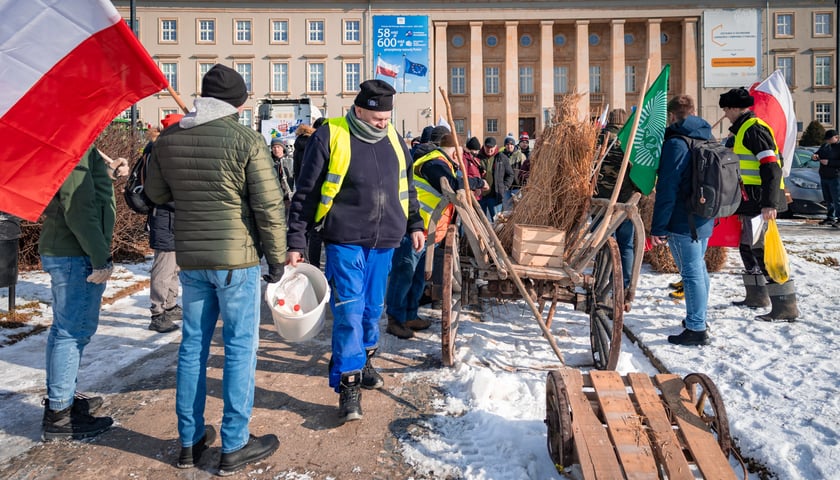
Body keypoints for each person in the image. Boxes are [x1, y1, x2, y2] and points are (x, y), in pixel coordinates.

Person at [145, 64, 285, 474]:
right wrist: (276, 258)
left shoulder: (169, 139)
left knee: (193, 348)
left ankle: (189, 441)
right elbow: (268, 204)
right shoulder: (245, 140)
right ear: (238, 103)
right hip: (235, 261)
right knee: (240, 349)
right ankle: (235, 443)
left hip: (191, 259)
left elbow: (155, 192)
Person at [285, 79, 424, 424]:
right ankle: (348, 384)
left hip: (386, 240)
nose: (383, 124)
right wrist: (296, 242)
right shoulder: (330, 135)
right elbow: (306, 193)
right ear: (359, 110)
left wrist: (415, 223)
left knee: (373, 309)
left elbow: (407, 185)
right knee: (349, 309)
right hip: (344, 238)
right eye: (378, 118)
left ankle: (365, 361)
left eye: (388, 118)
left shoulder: (393, 138)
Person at [39, 146, 116, 440]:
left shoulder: (78, 145)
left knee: (64, 330)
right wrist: (99, 256)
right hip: (76, 254)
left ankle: (63, 401)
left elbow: (82, 194)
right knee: (73, 332)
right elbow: (77, 205)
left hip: (69, 250)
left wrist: (106, 173)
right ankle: (60, 413)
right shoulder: (74, 146)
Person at [385, 134, 486, 339]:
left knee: (418, 277)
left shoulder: (444, 163)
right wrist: (477, 182)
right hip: (413, 229)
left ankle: (410, 314)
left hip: (428, 234)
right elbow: (448, 184)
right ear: (453, 151)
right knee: (404, 275)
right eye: (460, 153)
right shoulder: (433, 163)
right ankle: (395, 319)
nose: (462, 158)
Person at [720, 87, 799, 322]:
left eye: (726, 109)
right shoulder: (743, 129)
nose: (725, 114)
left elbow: (771, 167)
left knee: (763, 250)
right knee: (748, 246)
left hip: (760, 201)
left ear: (735, 108)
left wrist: (769, 203)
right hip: (749, 200)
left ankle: (785, 306)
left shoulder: (754, 129)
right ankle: (757, 296)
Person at [650, 95, 715, 346]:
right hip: (705, 216)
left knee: (691, 274)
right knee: (698, 269)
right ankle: (698, 319)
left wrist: (658, 226)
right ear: (693, 111)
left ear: (672, 116)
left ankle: (697, 327)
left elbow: (668, 188)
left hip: (682, 219)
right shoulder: (706, 135)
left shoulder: (677, 143)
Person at [595, 108, 641, 290]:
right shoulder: (631, 141)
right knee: (626, 245)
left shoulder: (597, 140)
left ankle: (600, 281)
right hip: (625, 202)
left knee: (602, 242)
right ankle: (624, 284)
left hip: (599, 202)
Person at [146, 113, 184, 333]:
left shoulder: (167, 151)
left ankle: (169, 305)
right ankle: (157, 312)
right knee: (164, 267)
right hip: (165, 217)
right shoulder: (159, 153)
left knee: (175, 266)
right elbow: (159, 192)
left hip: (173, 217)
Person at [292, 117, 327, 267]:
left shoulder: (298, 145)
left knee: (307, 231)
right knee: (319, 233)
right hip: (320, 193)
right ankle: (315, 264)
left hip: (303, 189)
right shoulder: (317, 144)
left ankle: (309, 263)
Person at [477, 136, 514, 221]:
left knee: (497, 220)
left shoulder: (501, 157)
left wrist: (504, 187)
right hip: (480, 196)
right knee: (480, 221)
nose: (489, 150)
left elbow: (510, 174)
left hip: (495, 196)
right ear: (484, 146)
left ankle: (496, 235)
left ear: (496, 147)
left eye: (491, 148)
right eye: (487, 147)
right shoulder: (478, 157)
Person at [813, 129, 840, 227]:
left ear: (836, 137)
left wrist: (829, 163)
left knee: (837, 199)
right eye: (827, 139)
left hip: (836, 176)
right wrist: (815, 156)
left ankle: (839, 219)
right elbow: (818, 153)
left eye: (829, 139)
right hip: (824, 176)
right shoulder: (825, 146)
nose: (827, 141)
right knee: (828, 199)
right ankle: (830, 217)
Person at [500, 136, 526, 210]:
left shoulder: (520, 156)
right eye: (507, 144)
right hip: (506, 187)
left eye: (511, 144)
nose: (509, 146)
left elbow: (524, 171)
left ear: (514, 145)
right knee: (507, 209)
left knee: (518, 208)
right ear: (505, 145)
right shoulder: (501, 156)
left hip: (517, 186)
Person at [270, 136, 294, 209]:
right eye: (274, 147)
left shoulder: (290, 160)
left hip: (288, 197)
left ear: (283, 148)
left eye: (278, 147)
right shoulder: (269, 161)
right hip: (274, 197)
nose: (276, 149)